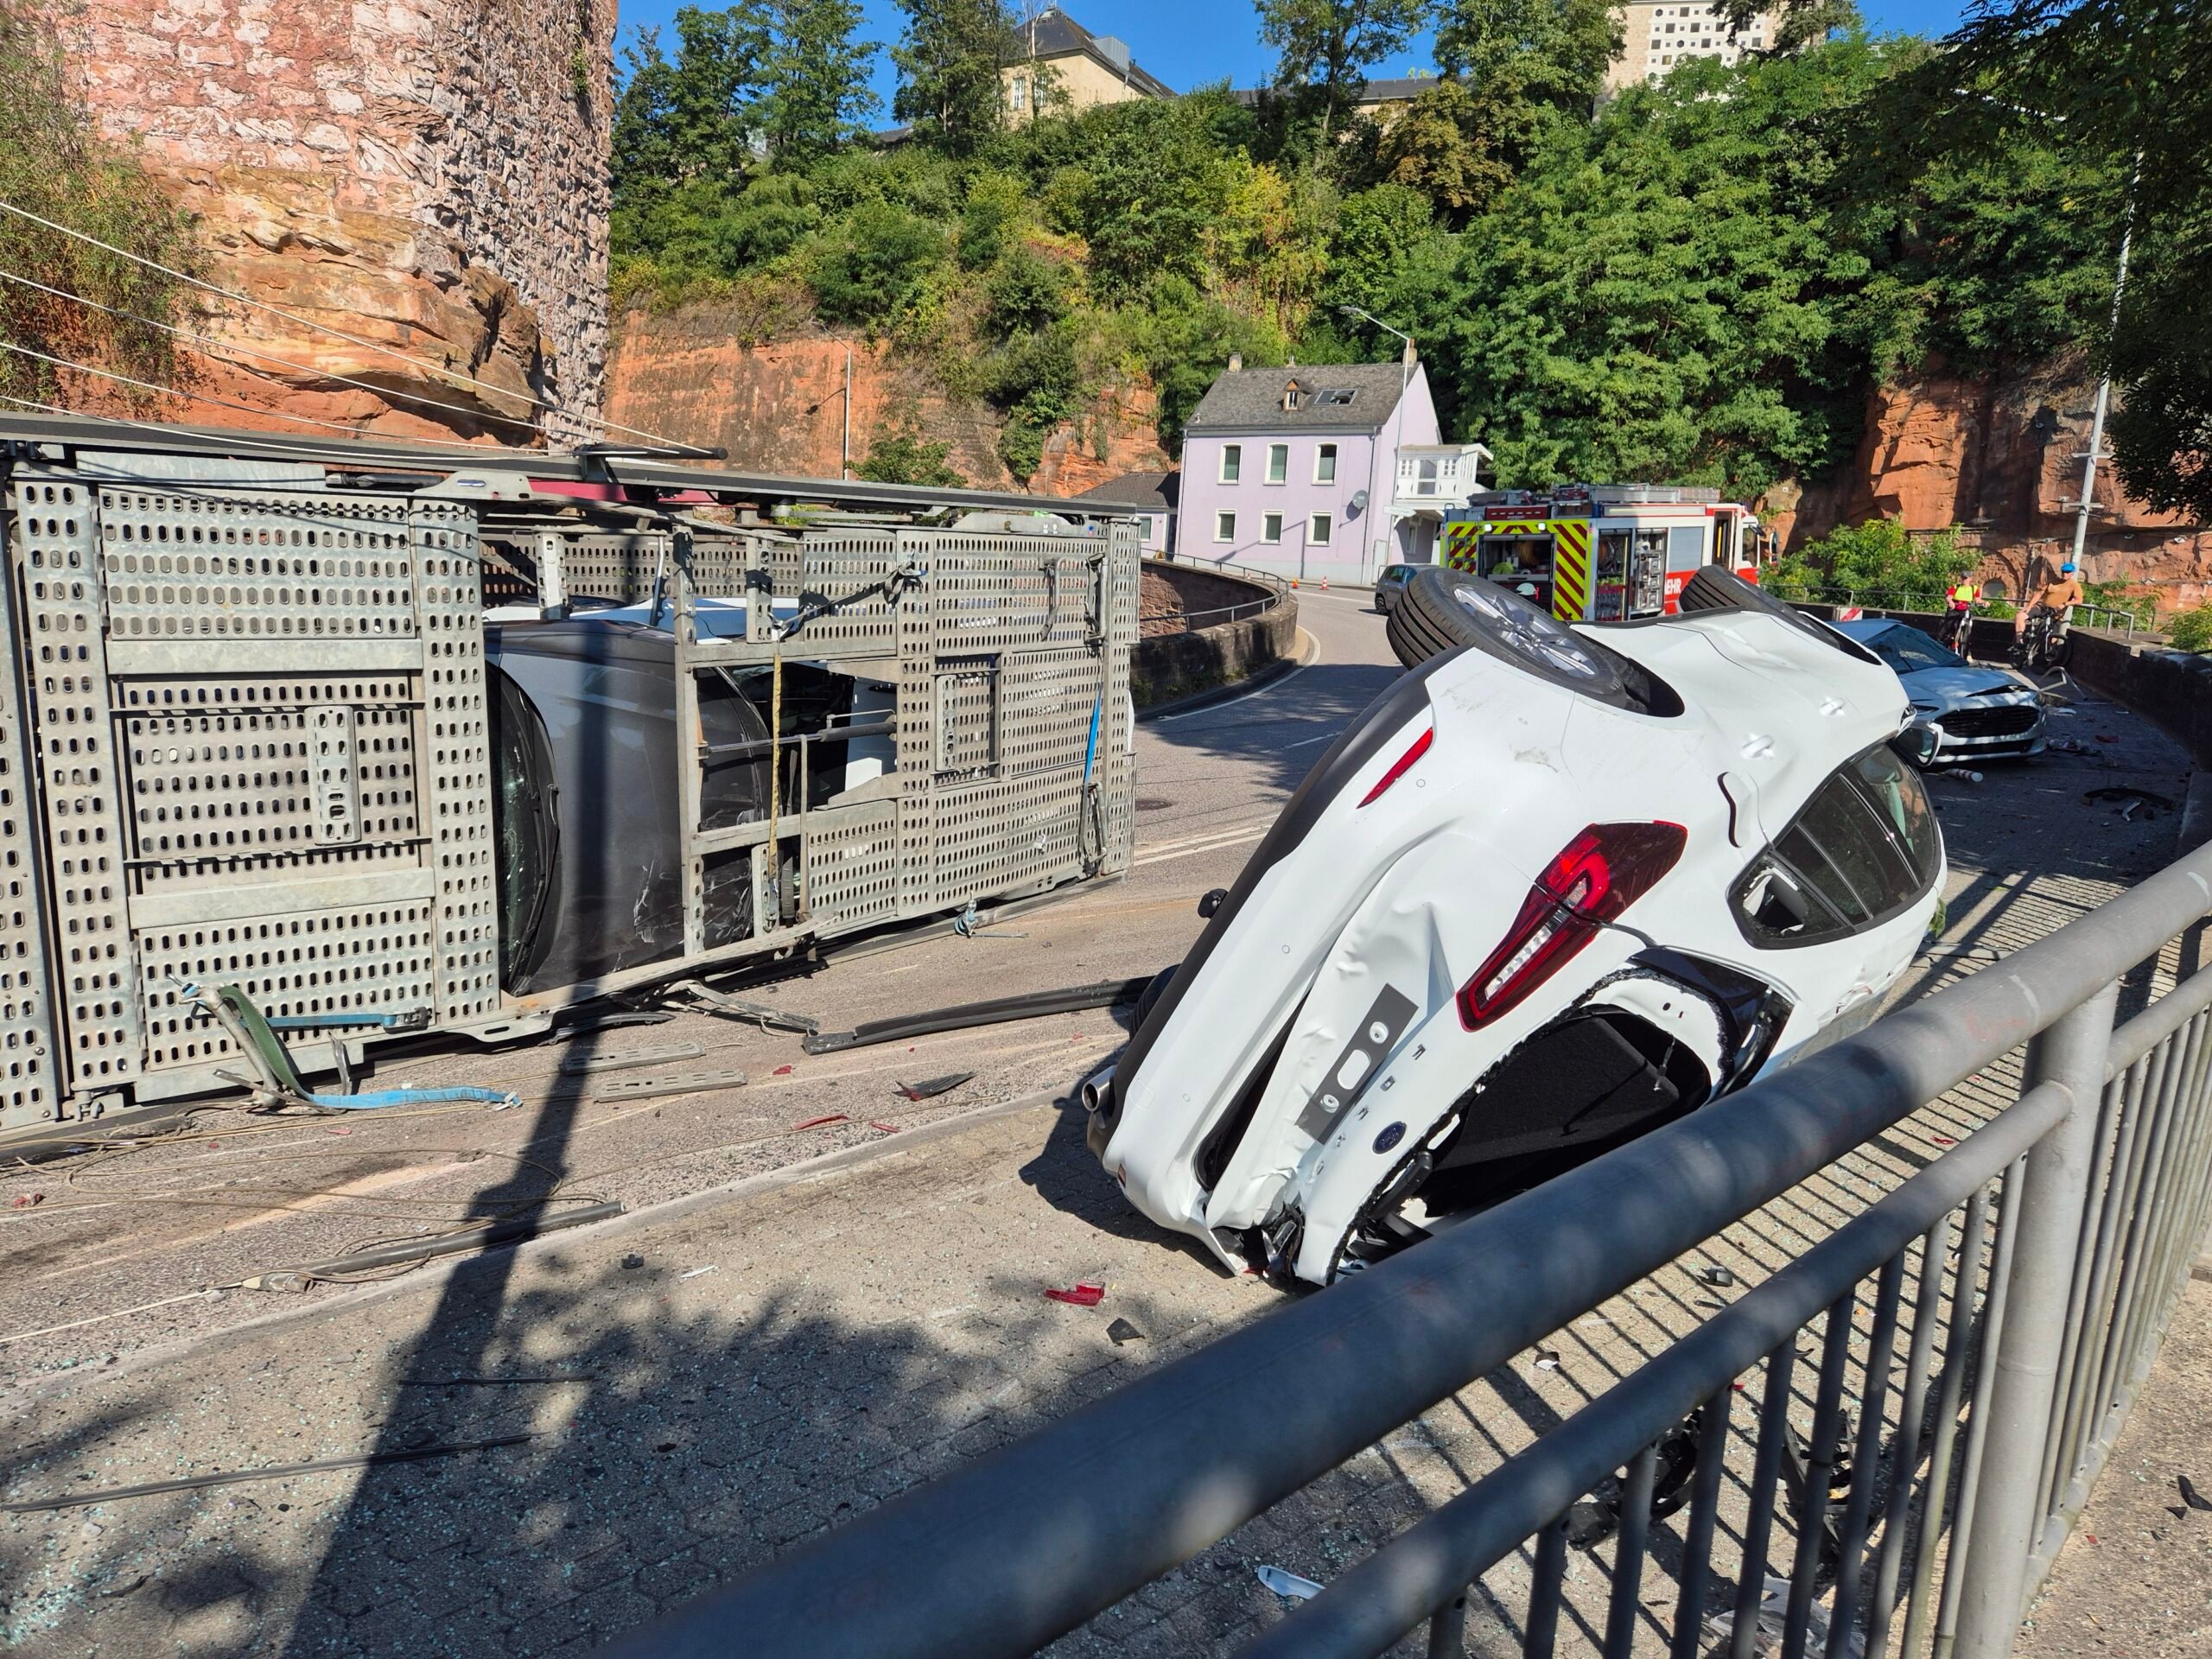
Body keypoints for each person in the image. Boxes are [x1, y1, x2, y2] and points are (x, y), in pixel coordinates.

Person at [2015, 560, 2085, 639]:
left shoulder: (2074, 585)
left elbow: (2079, 600)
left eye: (2067, 572)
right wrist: (2029, 606)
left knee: (2052, 639)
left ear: (2072, 573)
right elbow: (2039, 593)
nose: (2065, 574)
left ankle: (2050, 649)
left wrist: (2065, 604)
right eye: (2063, 572)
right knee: (2020, 616)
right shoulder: (2053, 582)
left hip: (2056, 614)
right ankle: (2018, 643)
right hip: (2042, 608)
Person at [1942, 571, 1978, 652]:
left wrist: (1984, 603)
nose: (1964, 580)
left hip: (1965, 610)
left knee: (1967, 625)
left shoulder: (1974, 588)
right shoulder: (1955, 587)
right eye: (1962, 578)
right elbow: (1949, 597)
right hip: (1954, 609)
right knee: (1949, 627)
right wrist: (1951, 602)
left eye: (1966, 578)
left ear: (1970, 579)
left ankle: (1963, 646)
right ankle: (1944, 645)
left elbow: (1977, 599)